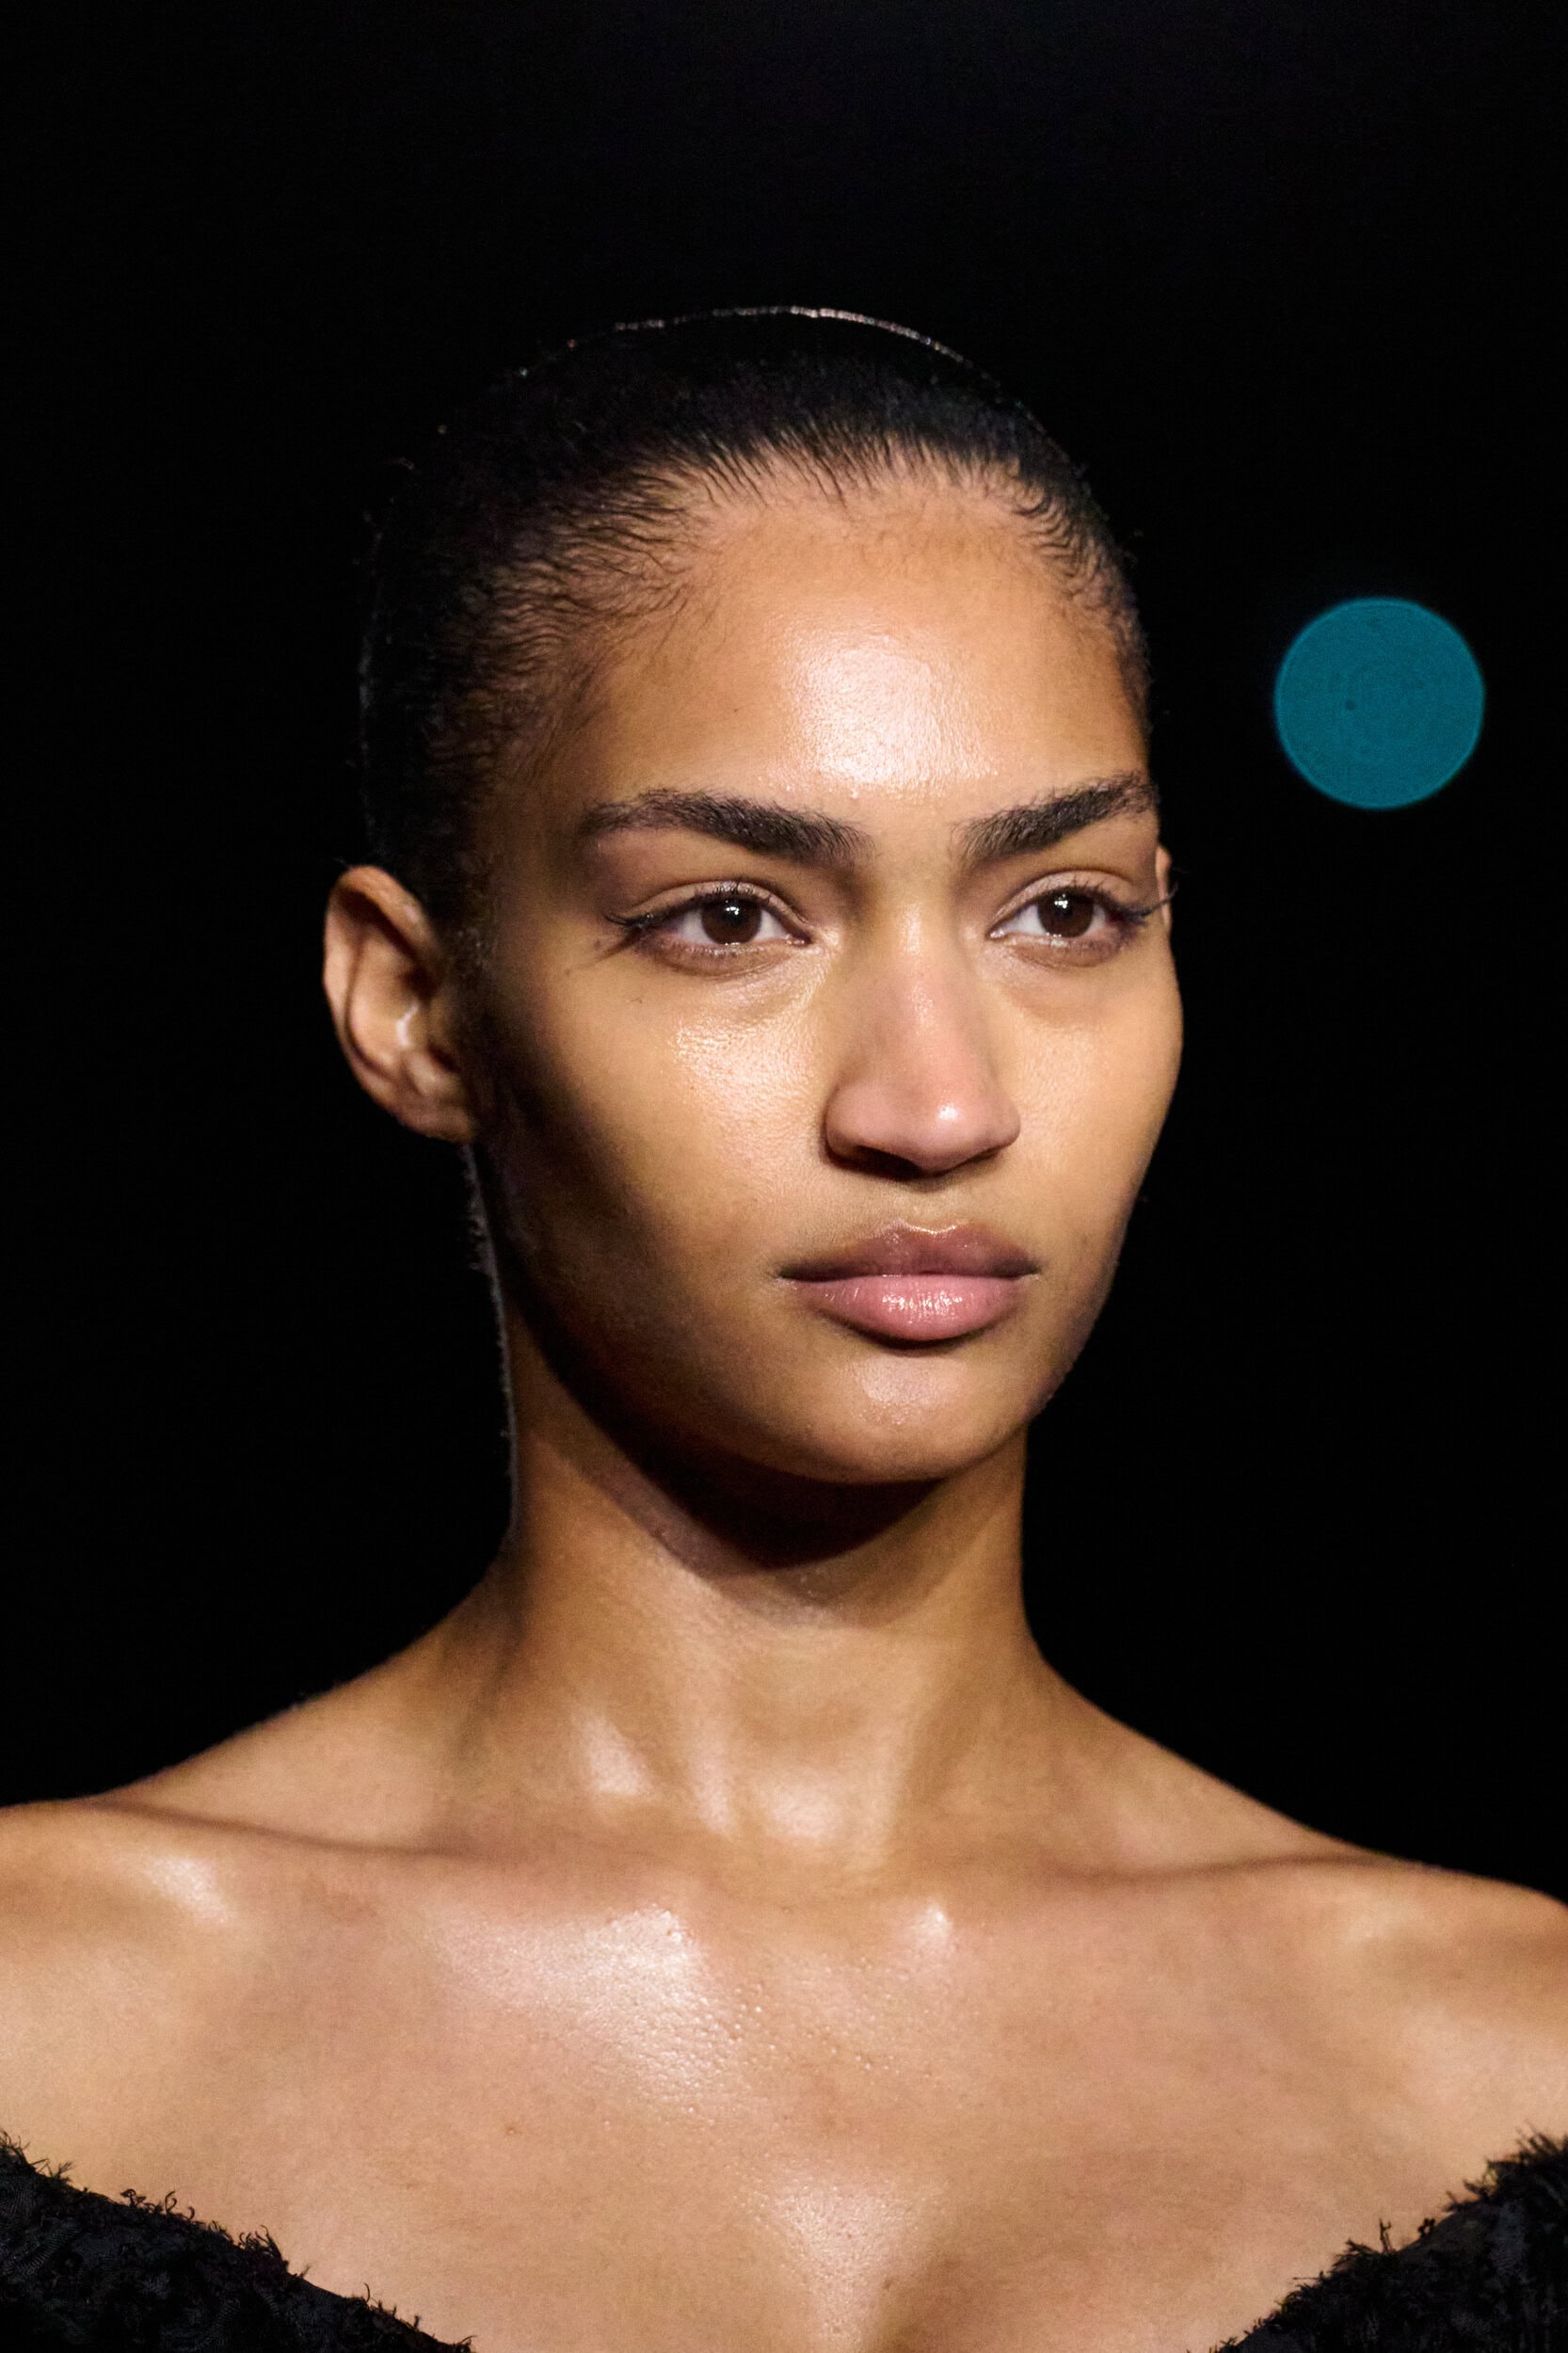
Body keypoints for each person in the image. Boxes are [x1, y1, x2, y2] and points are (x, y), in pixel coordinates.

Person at [1, 310, 1562, 2352]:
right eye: (729, 915)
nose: (936, 1104)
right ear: (414, 1004)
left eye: (1060, 911)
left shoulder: (1507, 2059)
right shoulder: (47, 2017)